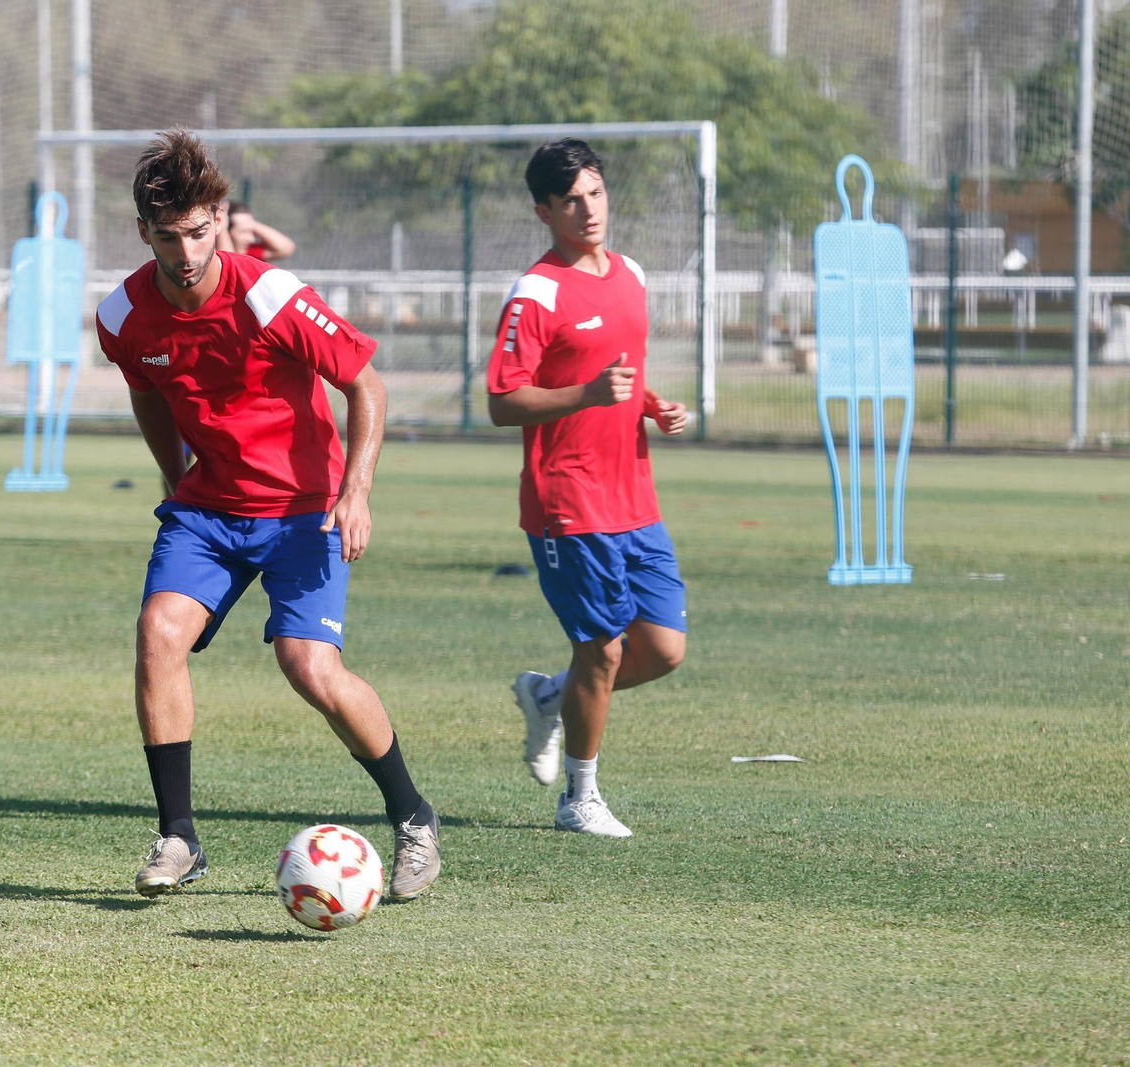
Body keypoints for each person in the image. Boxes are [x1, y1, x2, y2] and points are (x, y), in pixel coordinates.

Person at [95, 130, 441, 901]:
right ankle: (179, 835)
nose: (186, 252)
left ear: (220, 218)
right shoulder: (122, 315)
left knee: (309, 666)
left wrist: (356, 491)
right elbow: (146, 390)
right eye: (168, 236)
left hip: (302, 510)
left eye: (198, 232)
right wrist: (172, 473)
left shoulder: (271, 297)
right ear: (143, 231)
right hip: (208, 510)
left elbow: (366, 384)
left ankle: (414, 814)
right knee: (158, 633)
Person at [486, 139, 691, 838]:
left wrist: (652, 405)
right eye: (571, 200)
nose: (589, 209)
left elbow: (619, 370)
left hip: (633, 493)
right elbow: (503, 401)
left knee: (662, 649)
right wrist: (588, 394)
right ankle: (580, 797)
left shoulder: (630, 274)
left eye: (596, 193)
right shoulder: (536, 294)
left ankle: (550, 696)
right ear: (544, 211)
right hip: (567, 500)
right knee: (601, 650)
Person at [217, 200, 296, 261]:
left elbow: (286, 248)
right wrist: (222, 230)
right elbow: (228, 264)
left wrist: (251, 223)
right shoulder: (213, 256)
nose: (251, 239)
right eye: (243, 232)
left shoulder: (247, 253)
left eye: (252, 232)